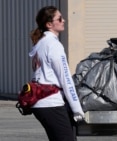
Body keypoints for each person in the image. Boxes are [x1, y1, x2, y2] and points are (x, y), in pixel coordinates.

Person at [29, 6, 85, 141]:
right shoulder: (53, 45)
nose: (63, 20)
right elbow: (65, 78)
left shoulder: (41, 43)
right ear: (49, 24)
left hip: (41, 103)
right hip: (51, 103)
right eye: (59, 18)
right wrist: (77, 108)